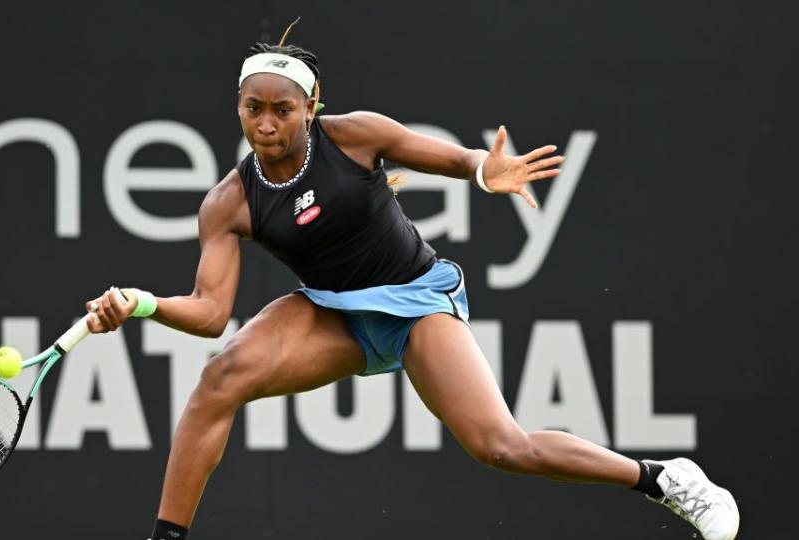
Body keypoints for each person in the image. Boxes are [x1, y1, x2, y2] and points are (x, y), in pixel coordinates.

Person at [84, 28, 740, 540]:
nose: (265, 124)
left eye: (281, 110)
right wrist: (140, 304)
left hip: (416, 300)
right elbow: (207, 312)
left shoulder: (356, 137)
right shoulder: (229, 203)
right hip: (331, 313)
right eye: (252, 109)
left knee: (501, 447)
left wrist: (489, 172)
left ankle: (664, 480)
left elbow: (456, 159)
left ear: (311, 106)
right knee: (218, 380)